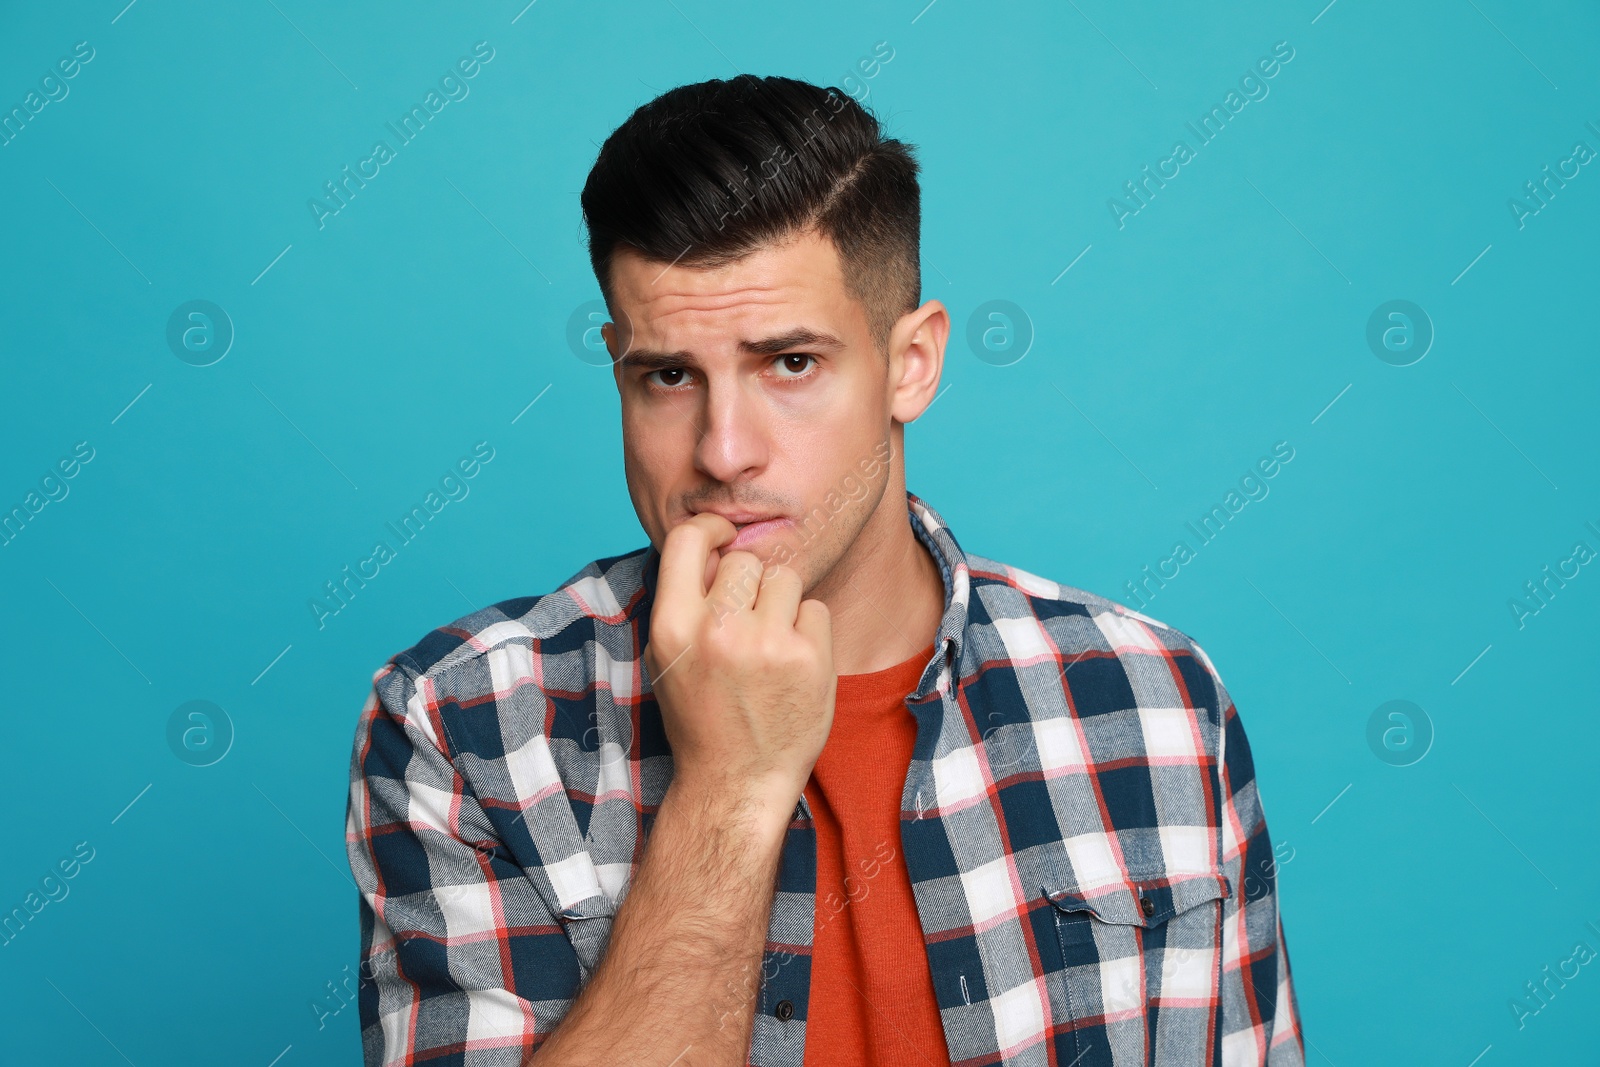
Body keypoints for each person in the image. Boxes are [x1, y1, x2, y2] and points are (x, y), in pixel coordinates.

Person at [344, 74, 1304, 1067]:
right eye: (668, 374)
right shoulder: (466, 726)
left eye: (789, 363)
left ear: (912, 363)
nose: (723, 450)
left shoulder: (1153, 699)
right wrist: (728, 787)